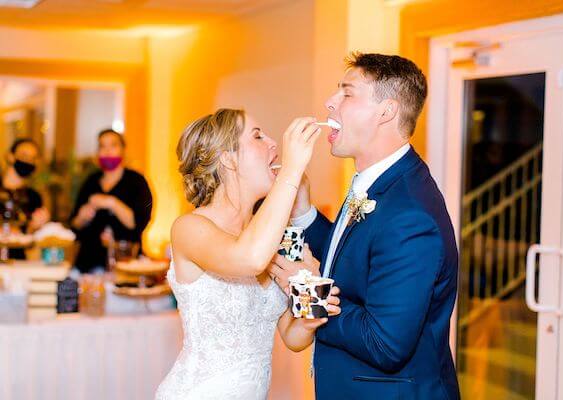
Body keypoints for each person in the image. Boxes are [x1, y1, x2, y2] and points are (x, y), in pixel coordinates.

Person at [269, 53, 460, 399]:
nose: (330, 102)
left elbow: (384, 344)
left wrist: (309, 291)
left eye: (346, 93)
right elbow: (361, 260)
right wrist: (305, 213)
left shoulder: (410, 215)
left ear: (385, 112)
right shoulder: (382, 182)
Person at [155, 109, 341, 400]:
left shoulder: (275, 235)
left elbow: (293, 338)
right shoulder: (189, 228)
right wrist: (291, 171)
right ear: (227, 158)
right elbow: (249, 259)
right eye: (257, 136)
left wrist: (311, 308)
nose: (273, 143)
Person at [70, 129, 152, 273]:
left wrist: (111, 202)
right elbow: (74, 224)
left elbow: (138, 223)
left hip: (126, 264)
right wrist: (82, 217)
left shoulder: (137, 181)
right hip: (88, 264)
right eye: (102, 146)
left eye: (113, 145)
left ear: (122, 150)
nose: (107, 151)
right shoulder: (91, 182)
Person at [0, 138, 50, 259]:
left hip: (18, 262)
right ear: (10, 156)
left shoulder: (34, 197)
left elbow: (31, 240)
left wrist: (35, 227)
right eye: (24, 155)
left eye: (33, 158)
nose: (28, 161)